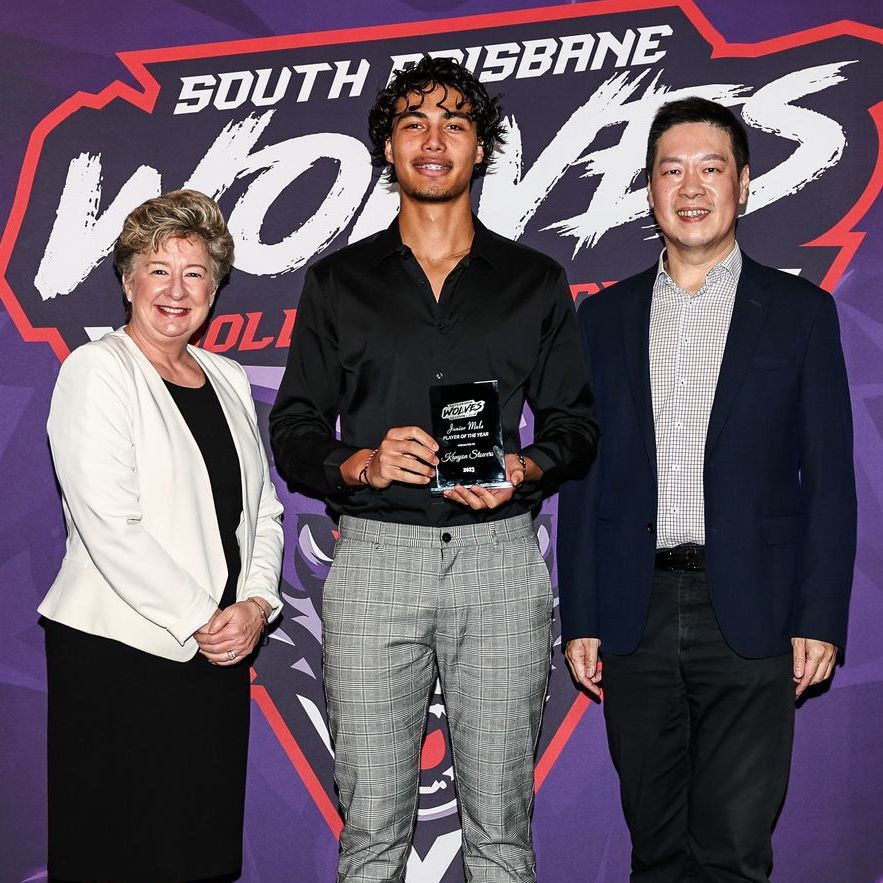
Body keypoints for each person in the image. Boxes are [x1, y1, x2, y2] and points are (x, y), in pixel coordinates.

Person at [270, 56, 597, 882]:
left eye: (455, 122)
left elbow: (577, 424)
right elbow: (296, 428)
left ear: (480, 148)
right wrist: (362, 461)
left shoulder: (533, 282)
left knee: (501, 837)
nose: (433, 139)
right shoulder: (338, 282)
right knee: (372, 833)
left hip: (498, 560)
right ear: (387, 146)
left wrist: (525, 464)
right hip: (377, 556)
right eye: (413, 122)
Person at [558, 96, 856, 882]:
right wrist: (580, 614)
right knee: (655, 853)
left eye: (711, 168)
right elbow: (581, 478)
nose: (691, 187)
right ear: (649, 189)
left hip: (752, 613)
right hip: (634, 613)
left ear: (745, 184)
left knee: (732, 853)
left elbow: (828, 481)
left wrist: (818, 615)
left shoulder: (798, 313)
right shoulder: (601, 321)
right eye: (671, 169)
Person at [39, 190, 284, 883]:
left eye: (196, 272)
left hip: (214, 657)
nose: (176, 290)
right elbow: (109, 524)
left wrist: (256, 604)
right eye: (158, 270)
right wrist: (204, 618)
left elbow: (260, 513)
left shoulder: (230, 378)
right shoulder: (97, 371)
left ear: (216, 286)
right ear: (127, 281)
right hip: (119, 653)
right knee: (119, 855)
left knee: (195, 854)